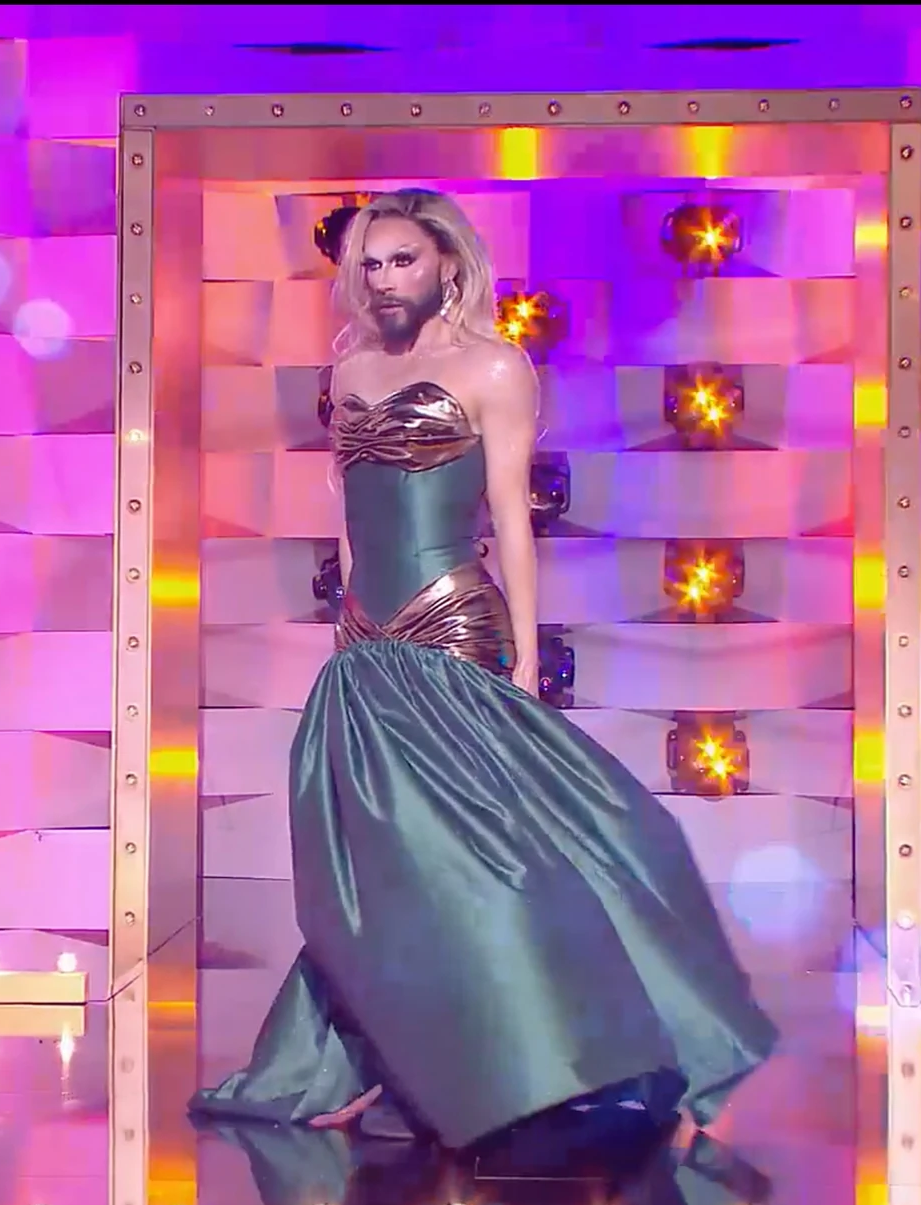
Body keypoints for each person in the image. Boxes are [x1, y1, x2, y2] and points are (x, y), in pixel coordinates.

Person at [188, 189, 778, 1148]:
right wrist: (345, 622)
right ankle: (388, 1057)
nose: (384, 279)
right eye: (371, 263)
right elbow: (350, 513)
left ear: (448, 266)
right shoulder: (351, 367)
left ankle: (560, 1049)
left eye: (403, 260)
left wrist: (528, 658)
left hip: (454, 626)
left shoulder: (495, 366)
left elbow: (511, 517)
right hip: (366, 638)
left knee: (484, 851)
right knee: (380, 859)